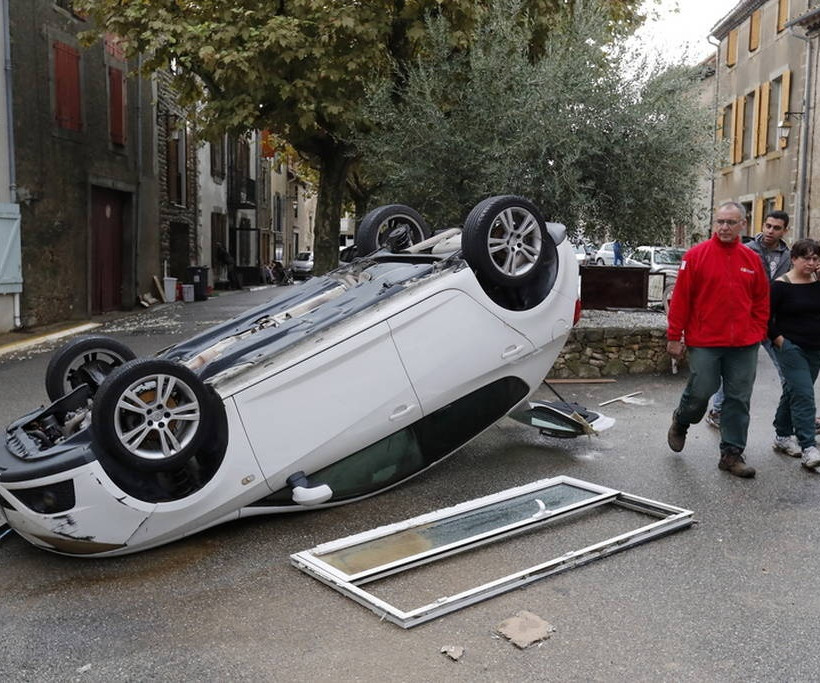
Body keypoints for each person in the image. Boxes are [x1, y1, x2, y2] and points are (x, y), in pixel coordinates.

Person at [666, 202, 770, 478]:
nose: (724, 227)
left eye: (730, 222)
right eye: (720, 222)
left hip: (744, 343)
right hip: (705, 340)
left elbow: (761, 299)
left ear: (743, 225)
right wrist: (674, 337)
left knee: (738, 398)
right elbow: (680, 300)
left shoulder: (751, 260)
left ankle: (732, 454)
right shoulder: (696, 256)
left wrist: (758, 330)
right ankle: (682, 420)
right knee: (702, 389)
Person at [706, 210, 792, 429]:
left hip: (774, 322)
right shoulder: (745, 250)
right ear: (762, 225)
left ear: (785, 230)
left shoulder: (787, 256)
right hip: (747, 320)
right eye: (768, 226)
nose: (771, 231)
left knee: (788, 367)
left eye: (777, 228)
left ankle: (794, 413)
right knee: (735, 372)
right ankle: (717, 410)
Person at [768, 239, 820, 469]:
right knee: (804, 394)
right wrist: (780, 341)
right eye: (806, 258)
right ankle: (809, 446)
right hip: (790, 348)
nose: (811, 263)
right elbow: (765, 318)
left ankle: (781, 435)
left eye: (815, 258)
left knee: (793, 391)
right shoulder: (780, 285)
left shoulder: (818, 282)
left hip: (814, 347)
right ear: (794, 259)